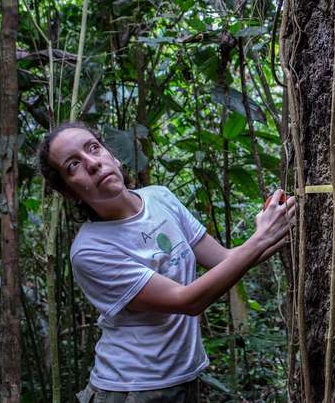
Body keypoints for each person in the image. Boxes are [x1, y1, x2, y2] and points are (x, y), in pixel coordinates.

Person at [37, 122, 295, 402]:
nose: (93, 163)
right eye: (73, 165)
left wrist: (279, 227)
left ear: (111, 154)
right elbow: (187, 301)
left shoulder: (159, 197)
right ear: (69, 192)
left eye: (93, 148)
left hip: (183, 377)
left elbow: (225, 259)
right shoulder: (90, 251)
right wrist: (260, 239)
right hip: (132, 387)